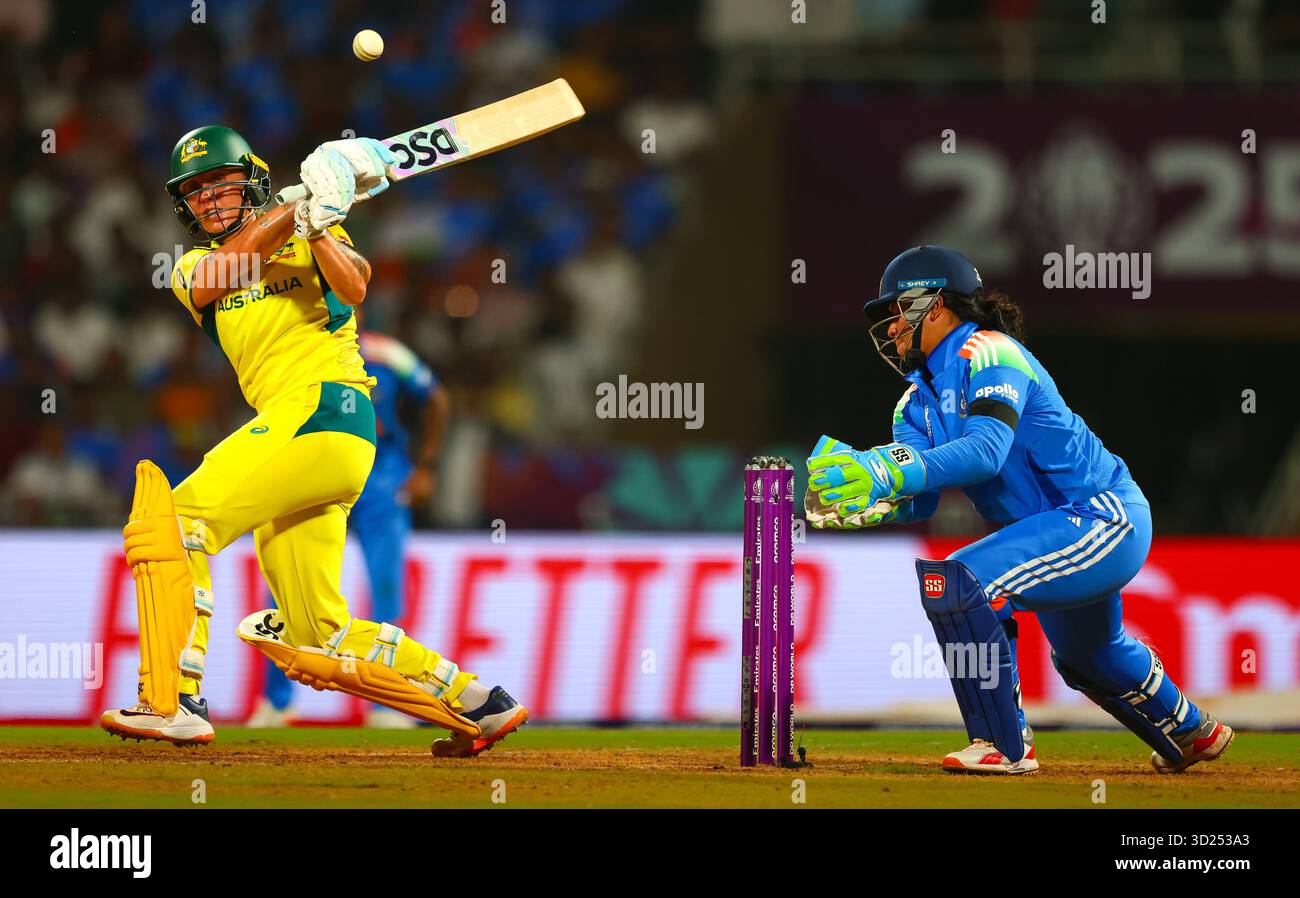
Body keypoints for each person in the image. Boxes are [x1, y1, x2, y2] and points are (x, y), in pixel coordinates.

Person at [99, 125, 526, 756]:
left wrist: (320, 224)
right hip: (318, 441)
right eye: (197, 191)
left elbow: (355, 287)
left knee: (175, 522)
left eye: (222, 182)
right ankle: (474, 702)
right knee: (314, 634)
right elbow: (230, 268)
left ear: (252, 182)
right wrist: (298, 207)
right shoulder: (190, 269)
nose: (211, 198)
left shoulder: (310, 236)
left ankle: (172, 701)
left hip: (324, 411)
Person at [806, 245, 1233, 775]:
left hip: (1100, 515)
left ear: (934, 305)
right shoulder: (913, 403)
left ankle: (1002, 745)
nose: (890, 331)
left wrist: (885, 468)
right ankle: (1192, 729)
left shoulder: (991, 351)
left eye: (896, 314)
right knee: (1089, 657)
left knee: (957, 581)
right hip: (1049, 530)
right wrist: (876, 503)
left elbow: (986, 451)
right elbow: (925, 496)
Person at [249, 324, 450, 729]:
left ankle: (390, 704)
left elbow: (437, 400)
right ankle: (276, 702)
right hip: (315, 468)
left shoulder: (385, 352)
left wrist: (426, 466)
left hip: (381, 474)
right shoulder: (293, 347)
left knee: (387, 589)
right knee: (290, 582)